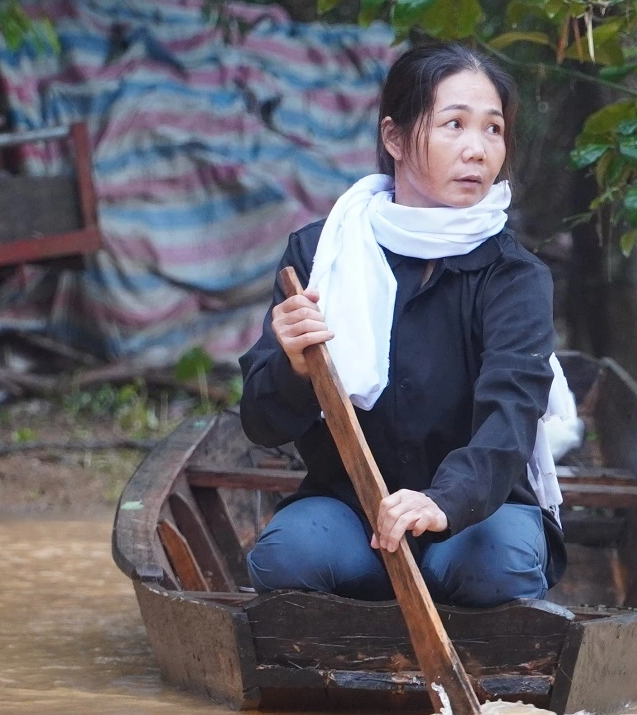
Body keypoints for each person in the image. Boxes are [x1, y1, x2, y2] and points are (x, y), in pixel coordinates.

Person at [236, 41, 571, 607]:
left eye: (493, 130)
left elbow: (511, 416)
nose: (477, 150)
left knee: (501, 564)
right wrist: (294, 368)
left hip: (472, 518)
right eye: (454, 125)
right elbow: (261, 421)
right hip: (352, 514)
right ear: (394, 138)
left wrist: (442, 501)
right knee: (285, 556)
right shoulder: (323, 253)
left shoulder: (514, 275)